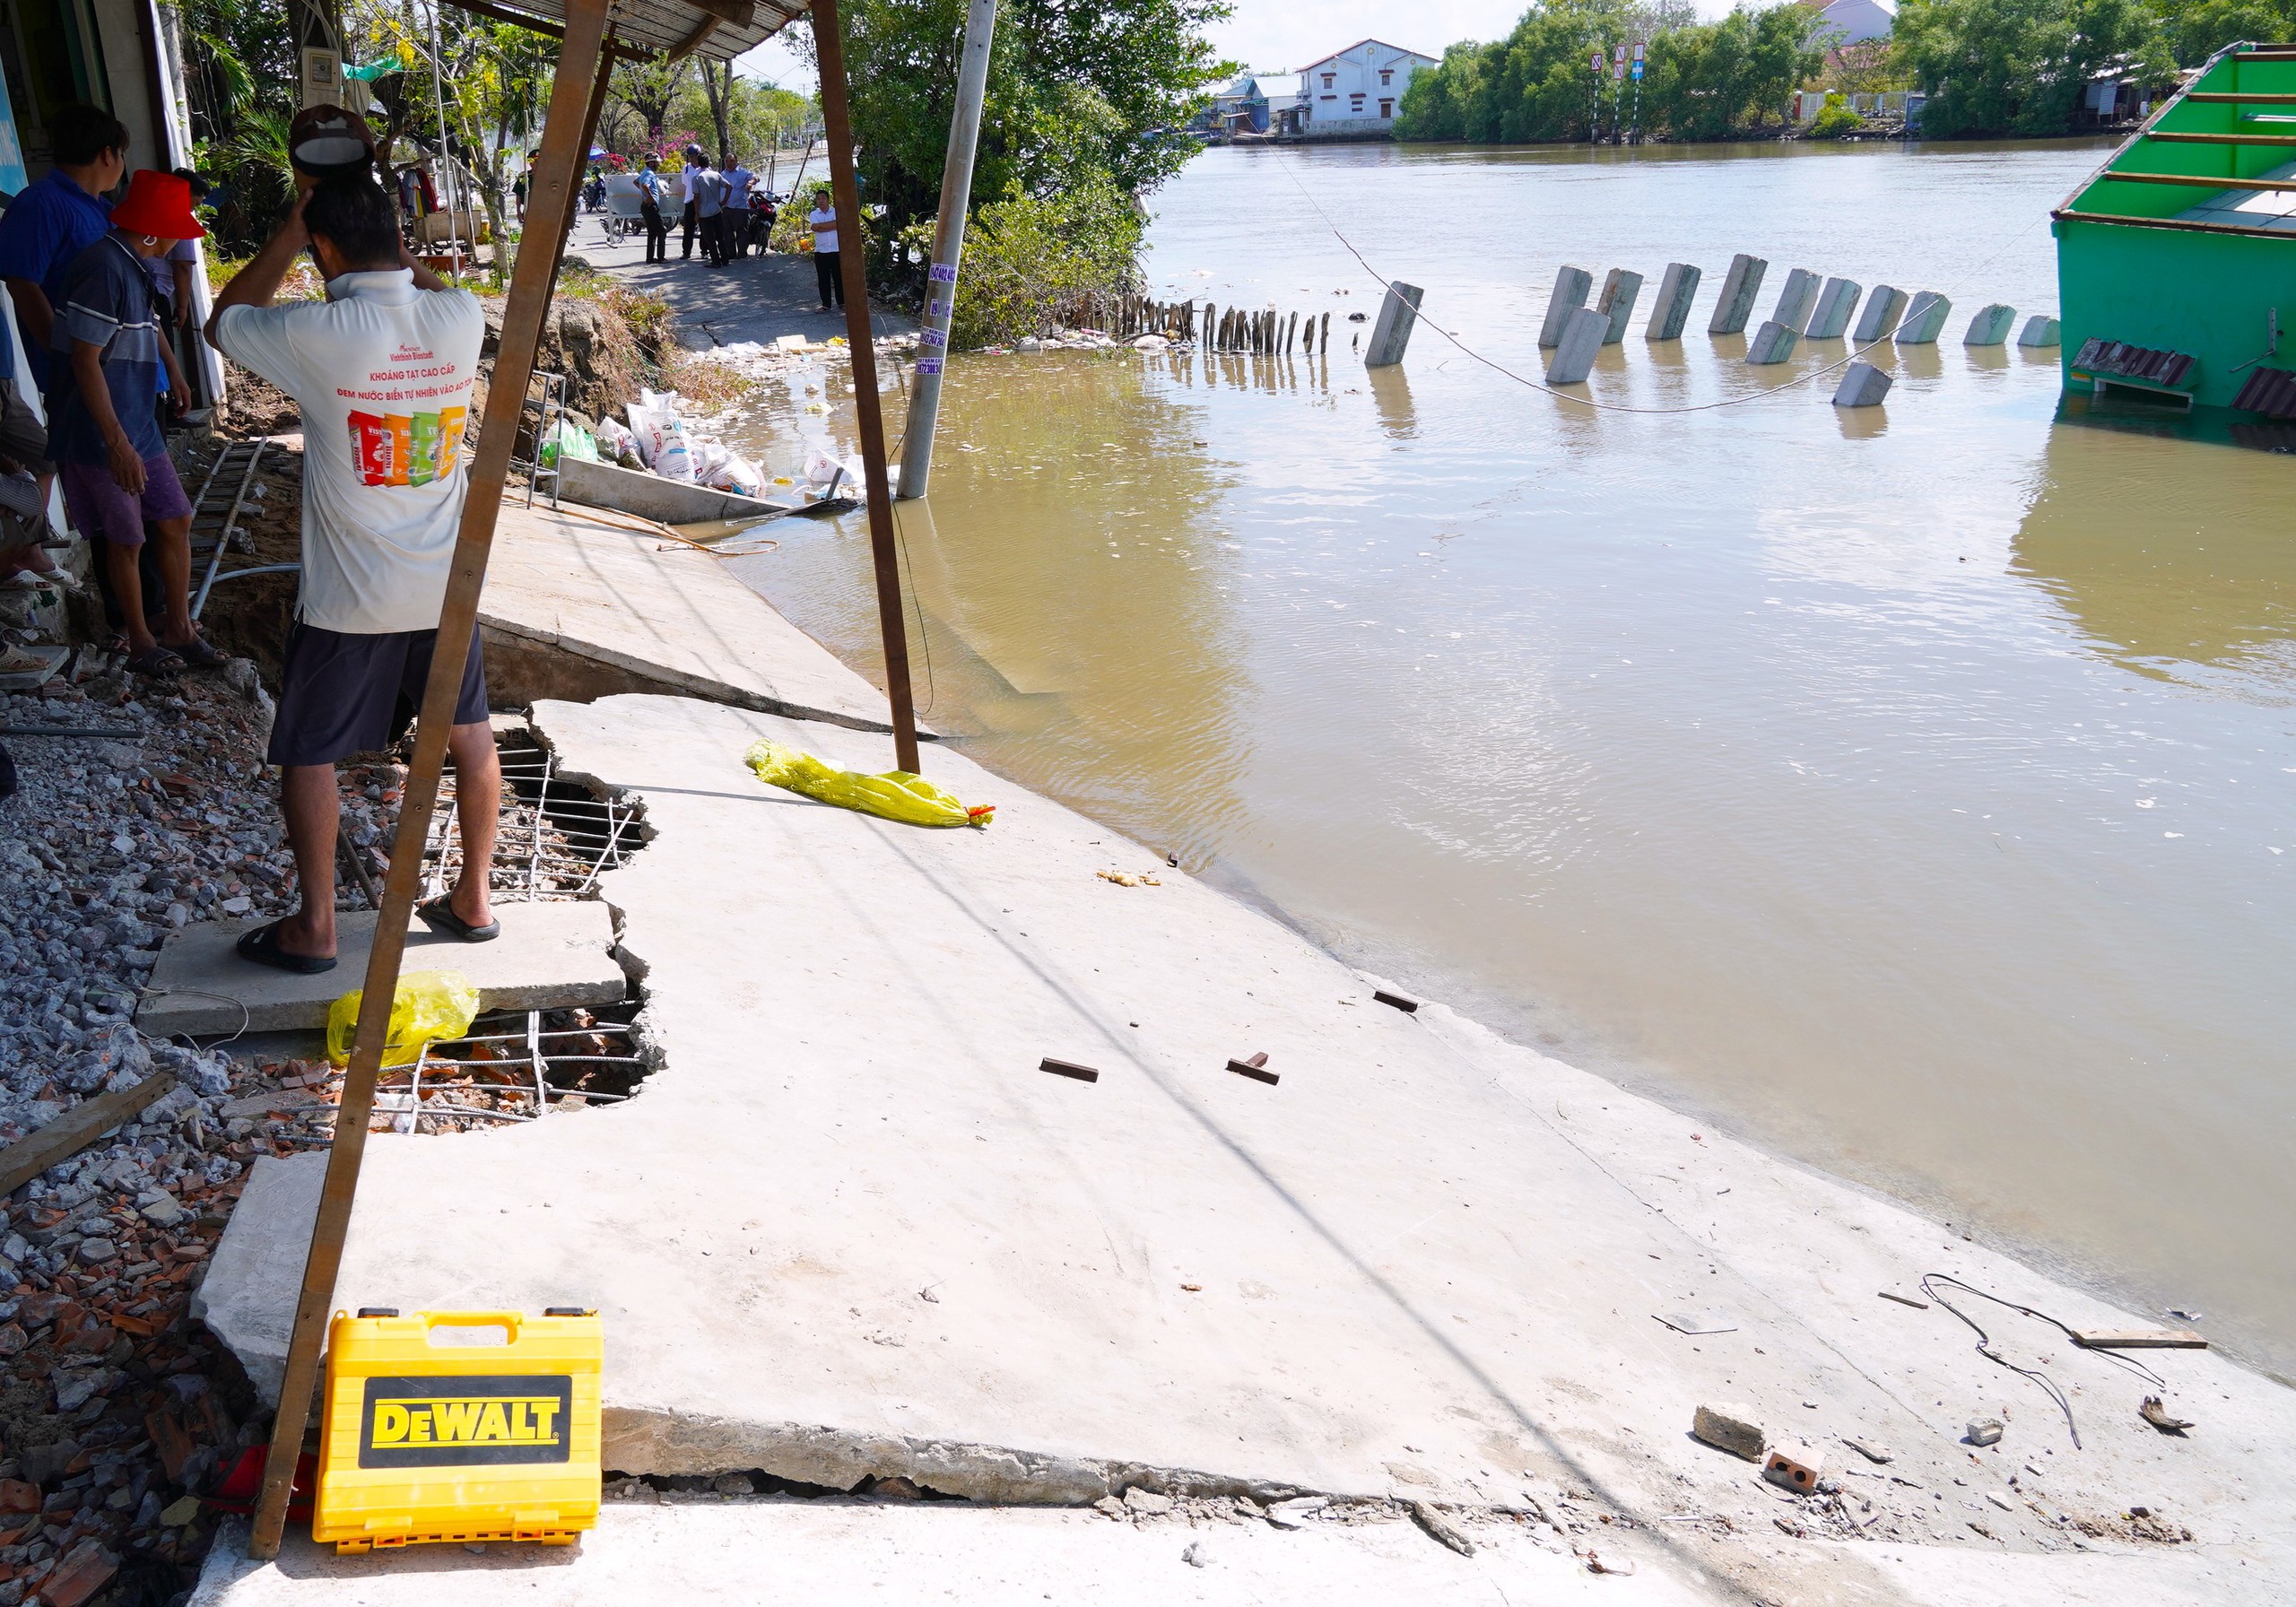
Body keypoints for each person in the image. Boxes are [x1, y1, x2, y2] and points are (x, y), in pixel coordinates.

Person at [205, 148, 499, 973]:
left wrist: (289, 236)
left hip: (350, 596)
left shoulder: (318, 332)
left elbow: (223, 321)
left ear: (324, 247)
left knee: (309, 750)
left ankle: (317, 930)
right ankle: (474, 901)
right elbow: (432, 289)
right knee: (470, 735)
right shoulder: (460, 318)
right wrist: (393, 253)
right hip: (444, 586)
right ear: (397, 240)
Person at [48, 169, 210, 675]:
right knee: (126, 538)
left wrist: (174, 371)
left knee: (176, 518)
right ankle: (140, 641)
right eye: (176, 230)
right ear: (154, 232)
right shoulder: (103, 267)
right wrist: (116, 444)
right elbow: (84, 360)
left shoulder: (130, 262)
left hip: (137, 420)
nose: (179, 240)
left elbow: (149, 325)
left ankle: (179, 629)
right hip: (101, 432)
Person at [807, 186, 842, 310]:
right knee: (823, 279)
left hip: (836, 250)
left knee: (839, 278)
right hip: (821, 251)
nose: (821, 201)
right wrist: (833, 226)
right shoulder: (814, 214)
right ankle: (826, 304)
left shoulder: (836, 211)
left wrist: (823, 226)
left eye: (823, 198)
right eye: (818, 199)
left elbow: (839, 223)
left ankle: (842, 302)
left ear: (828, 199)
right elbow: (815, 227)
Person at [693, 155, 727, 268]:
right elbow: (729, 186)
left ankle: (716, 261)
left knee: (710, 238)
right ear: (709, 163)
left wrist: (696, 213)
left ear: (699, 164)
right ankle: (725, 259)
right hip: (716, 209)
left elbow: (696, 197)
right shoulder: (716, 175)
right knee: (720, 236)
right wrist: (723, 201)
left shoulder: (697, 178)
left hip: (704, 212)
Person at [636, 157, 669, 264]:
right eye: (656, 163)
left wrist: (644, 194)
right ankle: (661, 258)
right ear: (651, 163)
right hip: (651, 206)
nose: (658, 165)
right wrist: (650, 196)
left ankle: (650, 258)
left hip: (646, 206)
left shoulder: (644, 172)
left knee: (652, 233)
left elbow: (636, 182)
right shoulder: (649, 173)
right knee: (662, 231)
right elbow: (644, 185)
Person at [721, 156, 752, 257]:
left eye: (731, 161)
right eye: (726, 161)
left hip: (740, 208)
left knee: (741, 232)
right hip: (726, 207)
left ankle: (742, 253)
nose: (729, 163)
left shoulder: (743, 172)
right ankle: (731, 254)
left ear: (736, 161)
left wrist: (750, 183)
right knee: (727, 232)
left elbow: (755, 177)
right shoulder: (723, 173)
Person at [679, 145, 704, 261]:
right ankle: (686, 252)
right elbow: (685, 182)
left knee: (704, 227)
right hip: (690, 200)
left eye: (694, 156)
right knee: (688, 228)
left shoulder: (705, 168)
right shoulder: (686, 169)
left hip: (702, 200)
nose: (692, 159)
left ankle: (705, 250)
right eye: (690, 156)